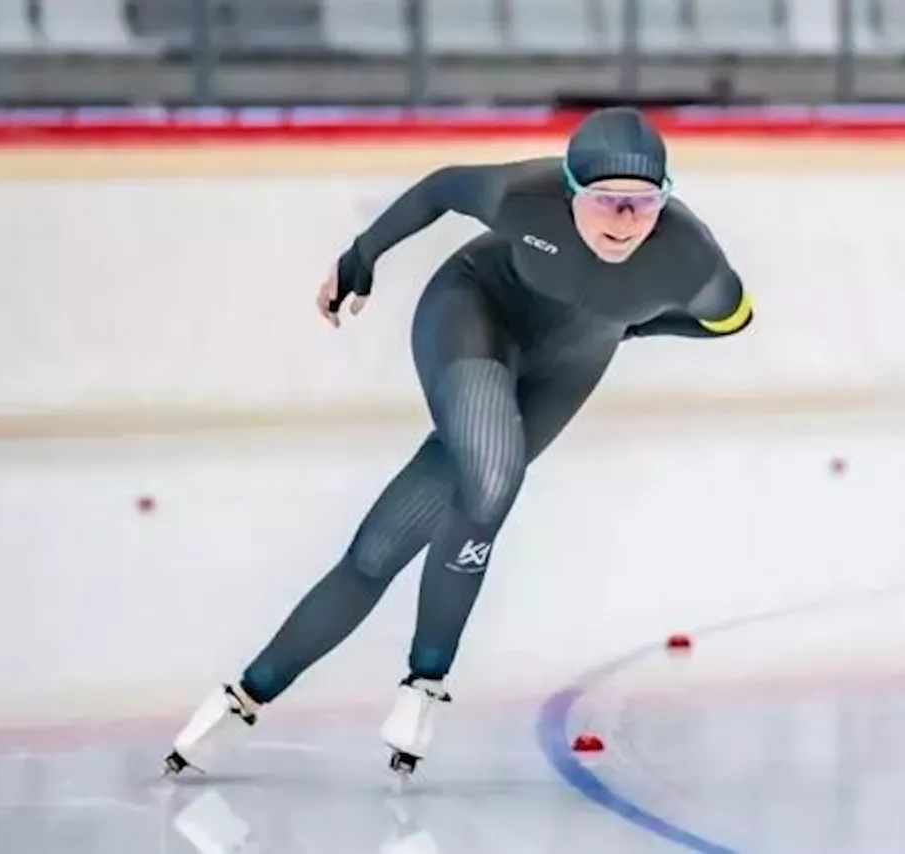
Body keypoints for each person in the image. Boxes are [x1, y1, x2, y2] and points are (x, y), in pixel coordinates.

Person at [162, 106, 754, 779]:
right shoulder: (523, 196)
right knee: (494, 476)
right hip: (474, 313)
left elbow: (733, 318)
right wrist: (361, 256)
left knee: (386, 543)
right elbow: (442, 186)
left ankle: (246, 695)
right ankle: (426, 680)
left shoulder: (692, 256)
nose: (624, 220)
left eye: (643, 203)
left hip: (569, 366)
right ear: (569, 191)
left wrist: (629, 329)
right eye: (604, 201)